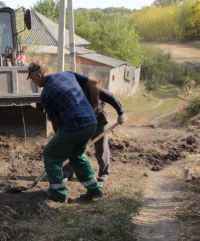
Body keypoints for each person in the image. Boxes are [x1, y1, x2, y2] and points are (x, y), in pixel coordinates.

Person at [27, 62, 103, 202]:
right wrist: (94, 107)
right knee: (76, 155)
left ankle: (58, 193)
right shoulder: (68, 74)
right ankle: (95, 189)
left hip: (73, 127)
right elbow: (94, 83)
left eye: (33, 79)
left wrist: (59, 139)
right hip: (91, 123)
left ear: (39, 75)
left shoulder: (46, 94)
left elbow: (56, 123)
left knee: (50, 154)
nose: (33, 82)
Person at [63, 87, 127, 182]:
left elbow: (111, 97)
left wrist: (121, 112)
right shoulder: (67, 94)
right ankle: (67, 172)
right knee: (73, 145)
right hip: (80, 119)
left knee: (101, 145)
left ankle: (104, 173)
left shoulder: (91, 88)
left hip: (98, 117)